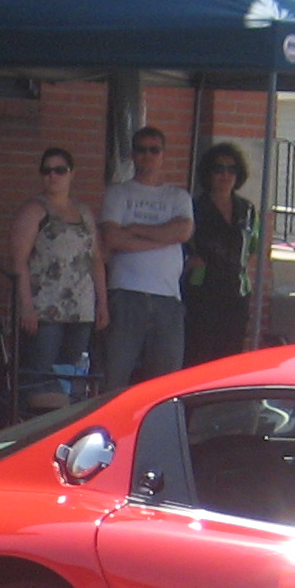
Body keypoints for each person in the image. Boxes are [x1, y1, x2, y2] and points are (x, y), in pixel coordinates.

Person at [96, 127, 191, 392]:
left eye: (154, 149)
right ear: (132, 155)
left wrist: (134, 228)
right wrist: (163, 236)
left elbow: (183, 231)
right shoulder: (118, 193)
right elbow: (112, 239)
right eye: (141, 149)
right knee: (114, 378)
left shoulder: (178, 197)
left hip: (168, 299)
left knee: (166, 384)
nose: (147, 155)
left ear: (163, 155)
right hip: (125, 295)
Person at [9, 147, 103, 410]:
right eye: (46, 170)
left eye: (59, 170)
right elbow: (19, 261)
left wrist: (102, 304)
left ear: (71, 174)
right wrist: (26, 306)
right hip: (45, 310)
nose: (53, 176)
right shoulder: (34, 211)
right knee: (41, 375)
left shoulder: (84, 213)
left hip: (81, 310)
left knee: (73, 375)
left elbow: (95, 259)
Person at [186, 141, 259, 366]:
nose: (225, 175)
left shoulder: (247, 209)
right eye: (218, 169)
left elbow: (253, 247)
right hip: (202, 290)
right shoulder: (193, 206)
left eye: (231, 169)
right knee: (200, 354)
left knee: (231, 357)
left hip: (235, 291)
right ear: (208, 173)